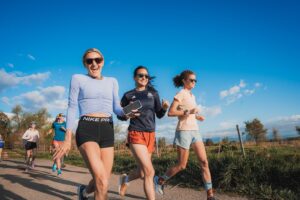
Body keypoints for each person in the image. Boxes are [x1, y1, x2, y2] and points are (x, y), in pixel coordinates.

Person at [53, 48, 130, 200]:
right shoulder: (77, 78)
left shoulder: (112, 81)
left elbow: (116, 108)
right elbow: (72, 106)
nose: (94, 64)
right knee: (102, 181)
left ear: (103, 62)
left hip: (108, 129)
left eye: (97, 60)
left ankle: (83, 191)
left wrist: (127, 112)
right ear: (85, 64)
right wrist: (68, 138)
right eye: (89, 61)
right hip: (87, 128)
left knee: (102, 180)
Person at [153, 70, 216, 200]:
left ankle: (210, 196)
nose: (194, 82)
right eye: (191, 80)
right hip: (183, 131)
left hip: (195, 131)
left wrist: (196, 116)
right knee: (182, 165)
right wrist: (188, 111)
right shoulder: (180, 93)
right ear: (184, 81)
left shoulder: (192, 96)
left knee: (204, 162)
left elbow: (188, 112)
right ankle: (160, 180)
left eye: (195, 80)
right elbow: (171, 112)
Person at [117, 66, 169, 199]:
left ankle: (126, 180)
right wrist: (128, 114)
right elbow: (120, 115)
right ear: (135, 77)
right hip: (136, 133)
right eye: (141, 75)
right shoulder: (128, 95)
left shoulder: (154, 93)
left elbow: (159, 114)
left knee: (142, 172)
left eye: (146, 76)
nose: (144, 78)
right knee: (149, 172)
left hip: (150, 135)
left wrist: (164, 108)